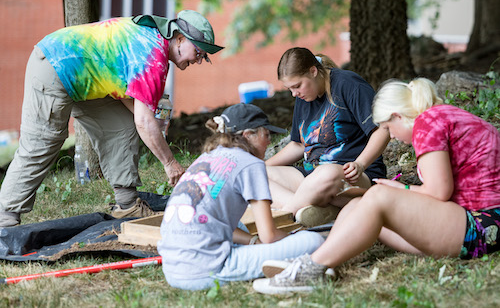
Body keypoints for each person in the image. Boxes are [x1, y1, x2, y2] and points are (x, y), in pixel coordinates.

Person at [253, 77, 500, 294]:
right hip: (469, 219)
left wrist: (398, 190)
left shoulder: (428, 123)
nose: (391, 136)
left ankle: (307, 271)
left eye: (387, 128)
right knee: (362, 205)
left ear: (398, 116)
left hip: (482, 226)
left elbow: (438, 192)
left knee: (378, 196)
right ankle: (322, 262)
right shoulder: (439, 116)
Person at [0, 10, 223, 227]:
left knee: (121, 127)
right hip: (55, 64)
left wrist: (151, 119)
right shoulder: (153, 56)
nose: (200, 60)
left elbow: (132, 102)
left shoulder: (156, 42)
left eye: (205, 57)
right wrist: (170, 163)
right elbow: (144, 122)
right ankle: (5, 217)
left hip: (86, 78)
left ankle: (127, 205)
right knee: (43, 141)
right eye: (199, 53)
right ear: (181, 39)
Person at [157, 103, 326, 290]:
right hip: (206, 270)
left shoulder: (205, 158)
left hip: (172, 269)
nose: (270, 142)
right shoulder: (251, 164)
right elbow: (269, 236)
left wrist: (254, 242)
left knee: (231, 220)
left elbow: (219, 221)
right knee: (314, 241)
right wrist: (291, 239)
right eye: (266, 135)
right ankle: (287, 268)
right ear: (248, 135)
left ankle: (264, 257)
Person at [266, 47, 390, 227]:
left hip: (352, 177)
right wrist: (257, 167)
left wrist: (360, 164)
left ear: (313, 71)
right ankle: (309, 211)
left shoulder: (349, 84)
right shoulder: (303, 98)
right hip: (312, 179)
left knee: (327, 173)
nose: (294, 94)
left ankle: (285, 218)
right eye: (290, 89)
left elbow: (382, 130)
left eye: (297, 86)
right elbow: (299, 145)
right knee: (258, 175)